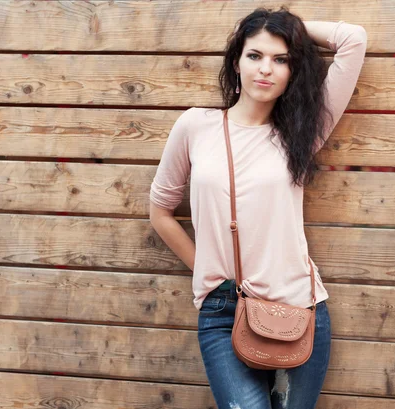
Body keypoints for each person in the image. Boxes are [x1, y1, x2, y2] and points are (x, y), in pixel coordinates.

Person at [149, 6, 367, 409]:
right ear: (236, 63)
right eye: (255, 55)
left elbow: (353, 39)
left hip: (300, 309)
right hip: (223, 312)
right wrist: (210, 274)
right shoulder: (196, 127)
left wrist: (290, 27)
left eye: (280, 59)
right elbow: (160, 211)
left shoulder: (302, 132)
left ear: (292, 71)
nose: (266, 69)